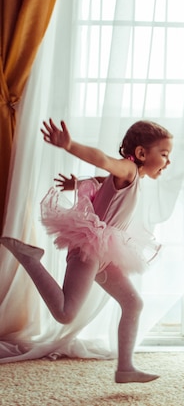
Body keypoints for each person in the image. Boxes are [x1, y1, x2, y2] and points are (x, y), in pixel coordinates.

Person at [0, 118, 173, 383]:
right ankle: (30, 259)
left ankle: (125, 367)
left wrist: (77, 183)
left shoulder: (130, 176)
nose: (168, 162)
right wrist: (69, 145)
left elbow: (102, 177)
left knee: (133, 302)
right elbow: (103, 160)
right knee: (65, 313)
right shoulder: (128, 168)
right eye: (164, 154)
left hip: (105, 251)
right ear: (140, 153)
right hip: (90, 248)